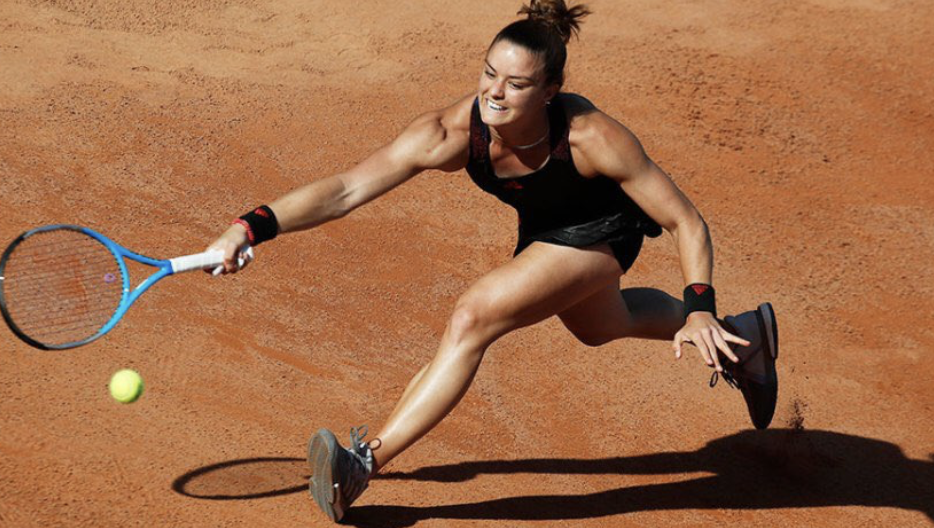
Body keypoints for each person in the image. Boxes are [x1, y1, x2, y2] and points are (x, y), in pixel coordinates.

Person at [207, 0, 779, 522]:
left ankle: (363, 463)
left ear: (550, 90)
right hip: (545, 230)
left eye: (517, 83)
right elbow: (345, 189)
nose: (495, 93)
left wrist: (700, 306)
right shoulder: (451, 132)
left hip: (606, 231)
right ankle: (745, 338)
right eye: (489, 73)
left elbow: (686, 221)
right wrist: (249, 225)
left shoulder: (592, 138)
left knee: (472, 316)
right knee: (604, 326)